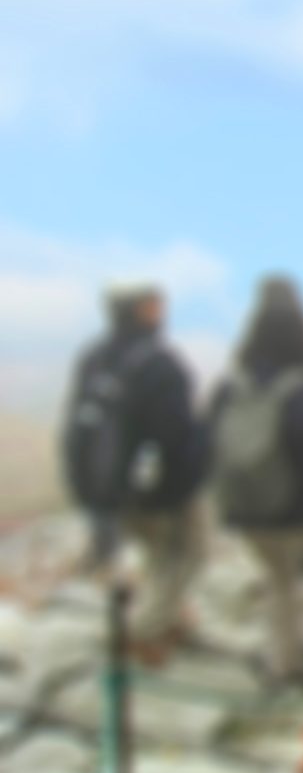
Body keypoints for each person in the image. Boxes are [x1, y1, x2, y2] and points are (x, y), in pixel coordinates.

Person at [210, 275, 303, 684]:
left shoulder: (230, 386)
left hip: (247, 509)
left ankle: (283, 661)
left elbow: (211, 441)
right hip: (302, 511)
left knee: (279, 581)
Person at [60, 281, 205, 659]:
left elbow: (77, 427)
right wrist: (186, 483)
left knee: (157, 556)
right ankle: (144, 632)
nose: (163, 310)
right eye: (156, 304)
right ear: (142, 310)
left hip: (108, 488)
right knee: (186, 554)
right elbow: (176, 436)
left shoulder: (94, 357)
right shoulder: (159, 363)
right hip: (157, 489)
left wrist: (85, 489)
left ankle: (167, 619)